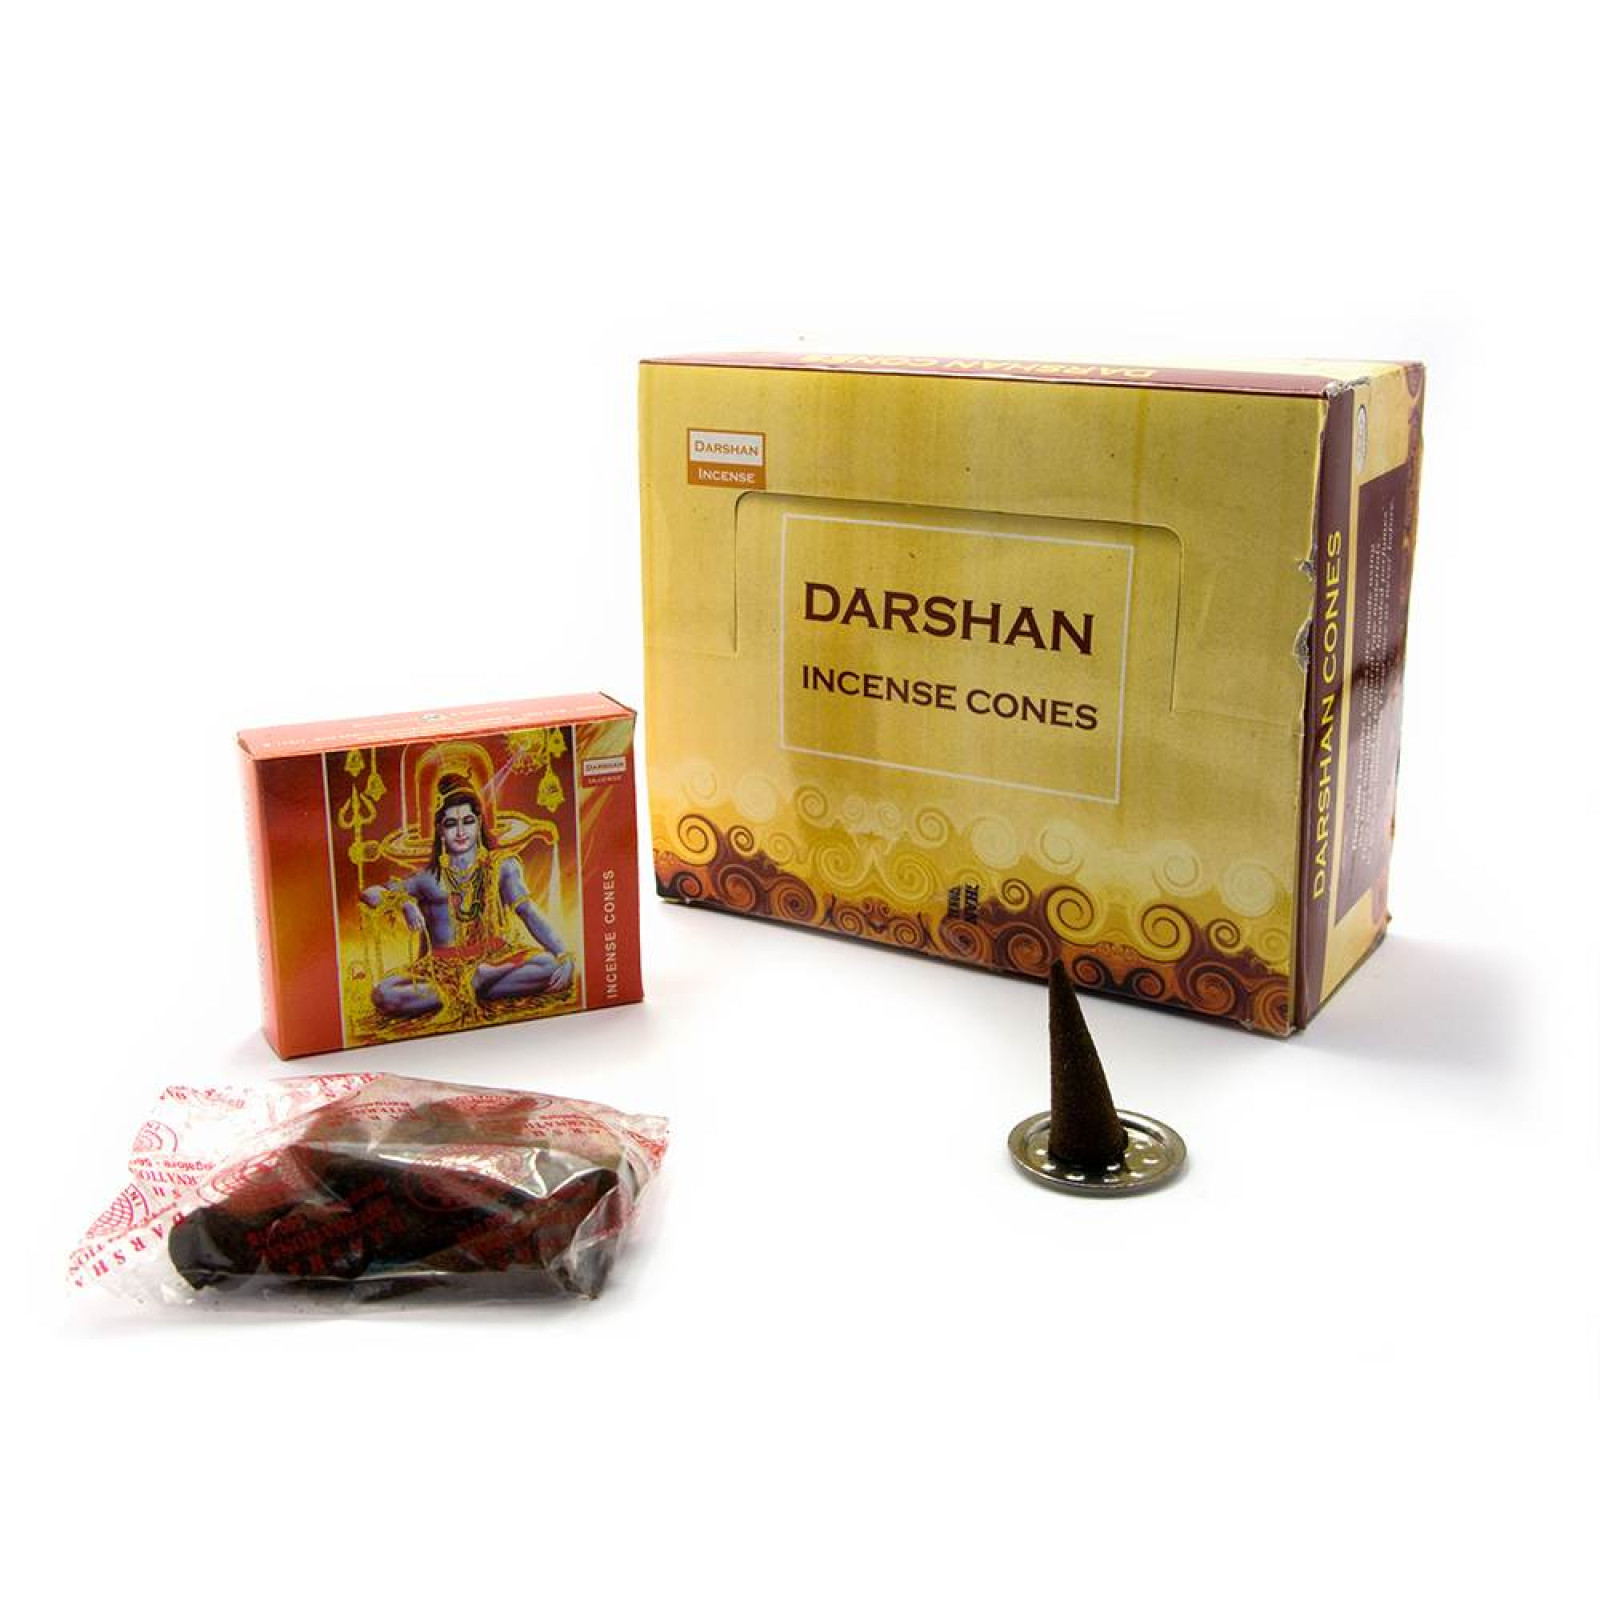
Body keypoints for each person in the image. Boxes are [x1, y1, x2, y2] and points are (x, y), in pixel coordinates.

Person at [360, 772, 574, 1019]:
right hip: (442, 970)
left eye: (468, 821)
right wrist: (405, 902)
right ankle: (475, 984)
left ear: (479, 823)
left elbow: (528, 911)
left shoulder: (502, 866)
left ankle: (472, 984)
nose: (461, 832)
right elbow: (369, 895)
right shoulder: (427, 878)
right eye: (451, 824)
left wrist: (562, 953)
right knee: (384, 994)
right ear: (440, 830)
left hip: (495, 960)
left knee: (549, 965)